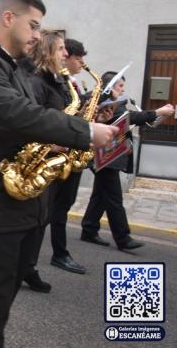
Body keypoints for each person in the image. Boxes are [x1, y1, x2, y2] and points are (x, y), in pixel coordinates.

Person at [0, 0, 118, 348]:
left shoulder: (13, 69)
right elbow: (14, 115)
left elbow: (28, 124)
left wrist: (60, 138)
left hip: (23, 205)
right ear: (9, 18)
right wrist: (84, 131)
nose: (38, 36)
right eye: (34, 25)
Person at [80, 72, 174, 250]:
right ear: (110, 86)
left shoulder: (118, 103)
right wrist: (158, 111)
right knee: (114, 198)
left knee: (101, 195)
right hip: (104, 156)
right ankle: (123, 238)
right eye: (119, 86)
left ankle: (89, 229)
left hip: (110, 156)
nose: (123, 89)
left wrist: (158, 116)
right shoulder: (104, 103)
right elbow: (133, 118)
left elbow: (136, 120)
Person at [19, 30, 70, 293]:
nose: (65, 54)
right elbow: (28, 123)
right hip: (39, 160)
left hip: (53, 159)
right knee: (34, 219)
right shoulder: (36, 83)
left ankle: (28, 266)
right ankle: (22, 267)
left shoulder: (56, 81)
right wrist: (50, 144)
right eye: (61, 49)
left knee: (42, 218)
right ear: (48, 51)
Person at [48, 38, 89, 274]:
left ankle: (51, 255)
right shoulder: (52, 82)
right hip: (55, 153)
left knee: (61, 207)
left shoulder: (70, 83)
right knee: (48, 211)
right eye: (78, 57)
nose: (82, 62)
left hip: (70, 152)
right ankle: (56, 254)